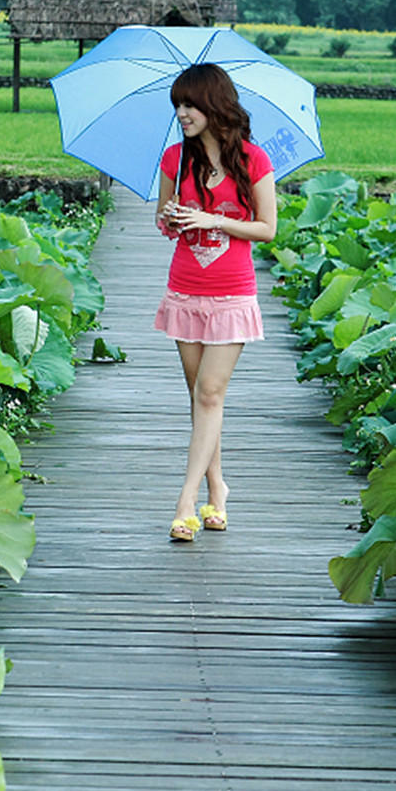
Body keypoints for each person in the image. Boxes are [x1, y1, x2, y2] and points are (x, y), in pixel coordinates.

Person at [154, 62, 277, 541]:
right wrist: (171, 218)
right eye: (178, 106)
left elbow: (267, 229)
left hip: (232, 292)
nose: (182, 113)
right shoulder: (175, 160)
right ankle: (217, 488)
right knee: (203, 398)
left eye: (189, 104)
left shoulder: (254, 160)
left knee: (210, 393)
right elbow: (166, 225)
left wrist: (213, 220)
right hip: (185, 287)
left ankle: (185, 498)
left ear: (213, 104)